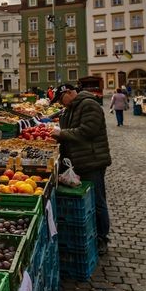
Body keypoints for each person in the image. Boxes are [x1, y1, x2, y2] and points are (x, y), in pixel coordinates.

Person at [50, 84, 112, 255]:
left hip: (92, 161)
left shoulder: (89, 105)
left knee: (97, 200)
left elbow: (87, 131)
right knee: (88, 200)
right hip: (78, 160)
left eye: (61, 99)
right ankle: (90, 234)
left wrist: (61, 133)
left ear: (69, 93)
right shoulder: (71, 107)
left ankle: (102, 238)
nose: (61, 104)